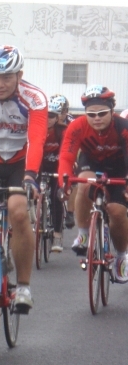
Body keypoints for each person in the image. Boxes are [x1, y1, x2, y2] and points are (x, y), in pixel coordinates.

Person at [0, 45, 48, 313]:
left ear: (19, 75)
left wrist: (30, 175)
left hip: (21, 162)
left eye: (6, 77)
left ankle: (23, 286)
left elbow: (36, 139)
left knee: (18, 211)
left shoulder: (34, 98)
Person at [57, 85, 128, 283]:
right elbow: (66, 157)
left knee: (116, 212)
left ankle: (121, 256)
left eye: (102, 113)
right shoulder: (77, 126)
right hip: (92, 162)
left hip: (120, 167)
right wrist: (64, 183)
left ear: (112, 111)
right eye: (91, 114)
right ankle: (83, 234)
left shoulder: (123, 127)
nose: (97, 118)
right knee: (84, 184)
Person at [40, 97, 69, 252]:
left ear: (57, 118)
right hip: (40, 167)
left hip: (57, 168)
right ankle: (36, 215)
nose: (48, 119)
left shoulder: (62, 131)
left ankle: (57, 235)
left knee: (56, 198)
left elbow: (65, 150)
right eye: (45, 116)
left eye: (51, 116)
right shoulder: (37, 128)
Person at [50, 94, 76, 229]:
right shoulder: (48, 120)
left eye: (63, 111)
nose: (61, 115)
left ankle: (70, 212)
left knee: (74, 177)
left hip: (70, 149)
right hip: (52, 150)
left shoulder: (71, 122)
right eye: (58, 112)